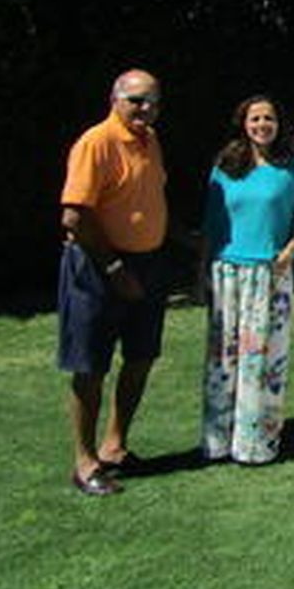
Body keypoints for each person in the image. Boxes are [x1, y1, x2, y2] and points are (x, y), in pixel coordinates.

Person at [58, 69, 170, 496]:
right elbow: (75, 216)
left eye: (154, 103)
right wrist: (114, 270)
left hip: (147, 264)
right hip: (97, 267)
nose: (146, 110)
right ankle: (85, 462)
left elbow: (148, 200)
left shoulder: (150, 141)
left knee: (141, 356)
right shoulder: (96, 142)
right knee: (90, 364)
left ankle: (115, 445)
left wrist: (182, 238)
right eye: (137, 101)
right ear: (115, 99)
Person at [200, 95, 294, 465]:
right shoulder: (225, 165)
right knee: (224, 360)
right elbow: (211, 223)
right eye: (255, 119)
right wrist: (201, 270)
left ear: (279, 124)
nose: (262, 125)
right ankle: (218, 441)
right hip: (227, 272)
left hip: (270, 273)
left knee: (262, 361)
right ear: (243, 124)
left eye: (269, 118)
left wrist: (288, 253)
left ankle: (255, 444)